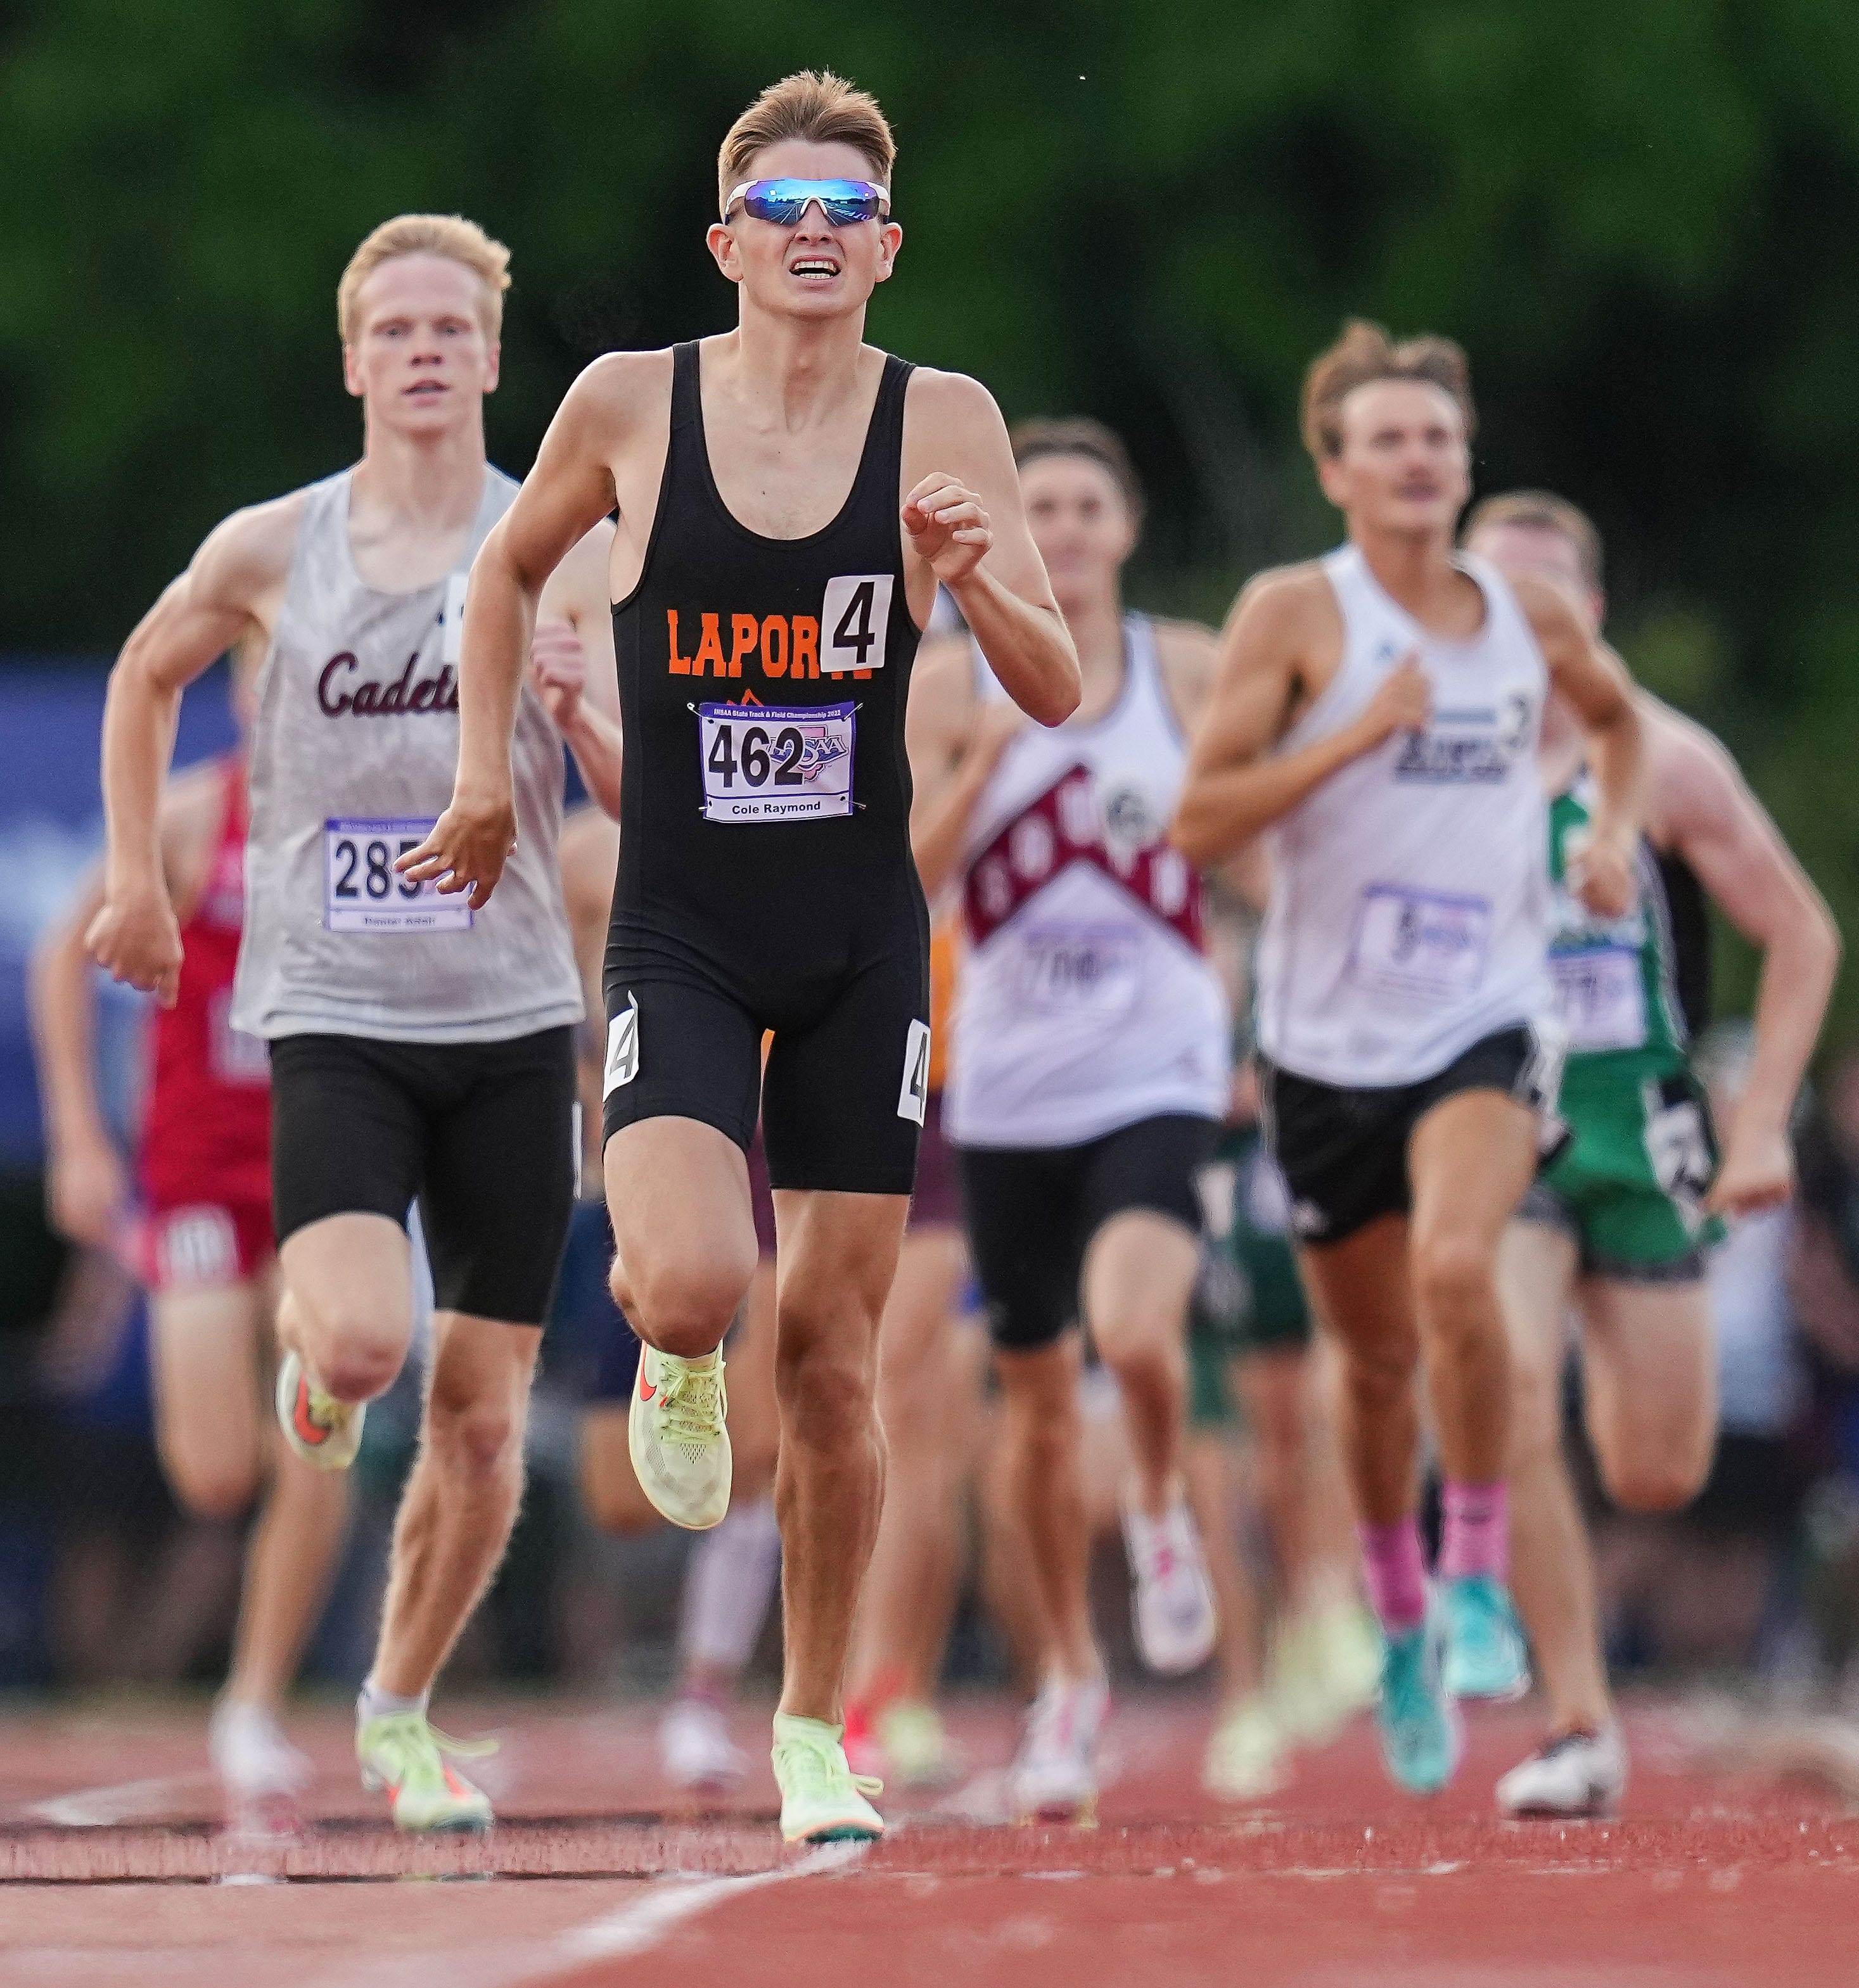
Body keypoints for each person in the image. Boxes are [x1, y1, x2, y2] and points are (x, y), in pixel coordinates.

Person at [403, 73, 1081, 1844]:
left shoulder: (946, 420)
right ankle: (673, 1347)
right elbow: (499, 579)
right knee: (697, 1279)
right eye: (775, 214)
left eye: (839, 215)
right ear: (725, 242)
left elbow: (1053, 681)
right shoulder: (632, 401)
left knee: (842, 1363)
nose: (807, 240)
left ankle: (805, 1731)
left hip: (863, 938)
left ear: (883, 248)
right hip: (685, 926)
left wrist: (969, 577)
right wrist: (489, 769)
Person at [84, 214, 622, 1832]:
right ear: (352, 359)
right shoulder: (274, 547)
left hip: (516, 1016)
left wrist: (589, 720)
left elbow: (635, 799)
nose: (425, 350)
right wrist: (135, 882)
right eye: (396, 329)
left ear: (492, 354)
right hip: (337, 1011)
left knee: (478, 1415)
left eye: (452, 327)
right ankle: (323, 1370)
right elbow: (142, 672)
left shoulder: (560, 539)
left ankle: (397, 1704)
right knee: (367, 1341)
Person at [1172, 322, 1644, 1795]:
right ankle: (1392, 1617)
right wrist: (1351, 735)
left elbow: (1620, 727)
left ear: (1464, 458)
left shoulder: (1526, 617)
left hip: (1487, 1020)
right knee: (1369, 1373)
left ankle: (1479, 1573)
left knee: (1458, 1270)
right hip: (1322, 1050)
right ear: (1335, 468)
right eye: (1384, 438)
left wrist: (1615, 834)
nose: (1415, 459)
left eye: (1436, 436)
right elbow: (1201, 821)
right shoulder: (1292, 616)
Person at [1462, 492, 1839, 1816]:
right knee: (1505, 1377)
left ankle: (1555, 1509)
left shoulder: (1668, 762)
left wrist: (1756, 1125)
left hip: (1643, 1127)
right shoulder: (1436, 751)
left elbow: (1802, 934)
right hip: (1497, 1118)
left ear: (1592, 611)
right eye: (1490, 594)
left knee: (1656, 1468)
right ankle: (1577, 1719)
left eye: (1544, 597)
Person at [907, 418, 1229, 1818]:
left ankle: (1158, 1509)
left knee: (1141, 1332)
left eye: (1092, 504)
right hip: (1011, 1089)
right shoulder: (943, 681)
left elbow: (1268, 834)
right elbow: (900, 882)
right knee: (1031, 1416)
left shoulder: (1193, 669)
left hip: (1159, 1068)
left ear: (1128, 527)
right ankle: (1072, 1686)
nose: (1072, 528)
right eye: (1043, 506)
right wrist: (976, 771)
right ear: (1012, 532)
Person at [30, 651, 350, 1822]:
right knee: (217, 1467)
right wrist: (76, 1132)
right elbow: (64, 955)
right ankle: (264, 1583)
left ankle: (254, 1695)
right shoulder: (186, 819)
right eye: (280, 681)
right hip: (203, 1181)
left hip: (331, 1167)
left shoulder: (376, 815)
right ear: (249, 698)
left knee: (326, 1422)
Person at [556, 803, 784, 1790]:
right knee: (621, 1499)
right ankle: (664, 1327)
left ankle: (703, 1690)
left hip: (771, 1138)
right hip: (640, 1141)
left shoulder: (793, 792)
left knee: (762, 1449)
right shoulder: (576, 851)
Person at [1185, 1052, 1381, 1800]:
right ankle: (1243, 1697)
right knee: (1224, 1478)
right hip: (1205, 1215)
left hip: (1294, 1204)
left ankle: (1322, 1604)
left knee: (1302, 1436)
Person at [841, 912, 983, 1790]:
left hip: (945, 1092)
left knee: (910, 1402)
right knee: (903, 1413)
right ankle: (897, 1688)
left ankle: (878, 1687)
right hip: (830, 1065)